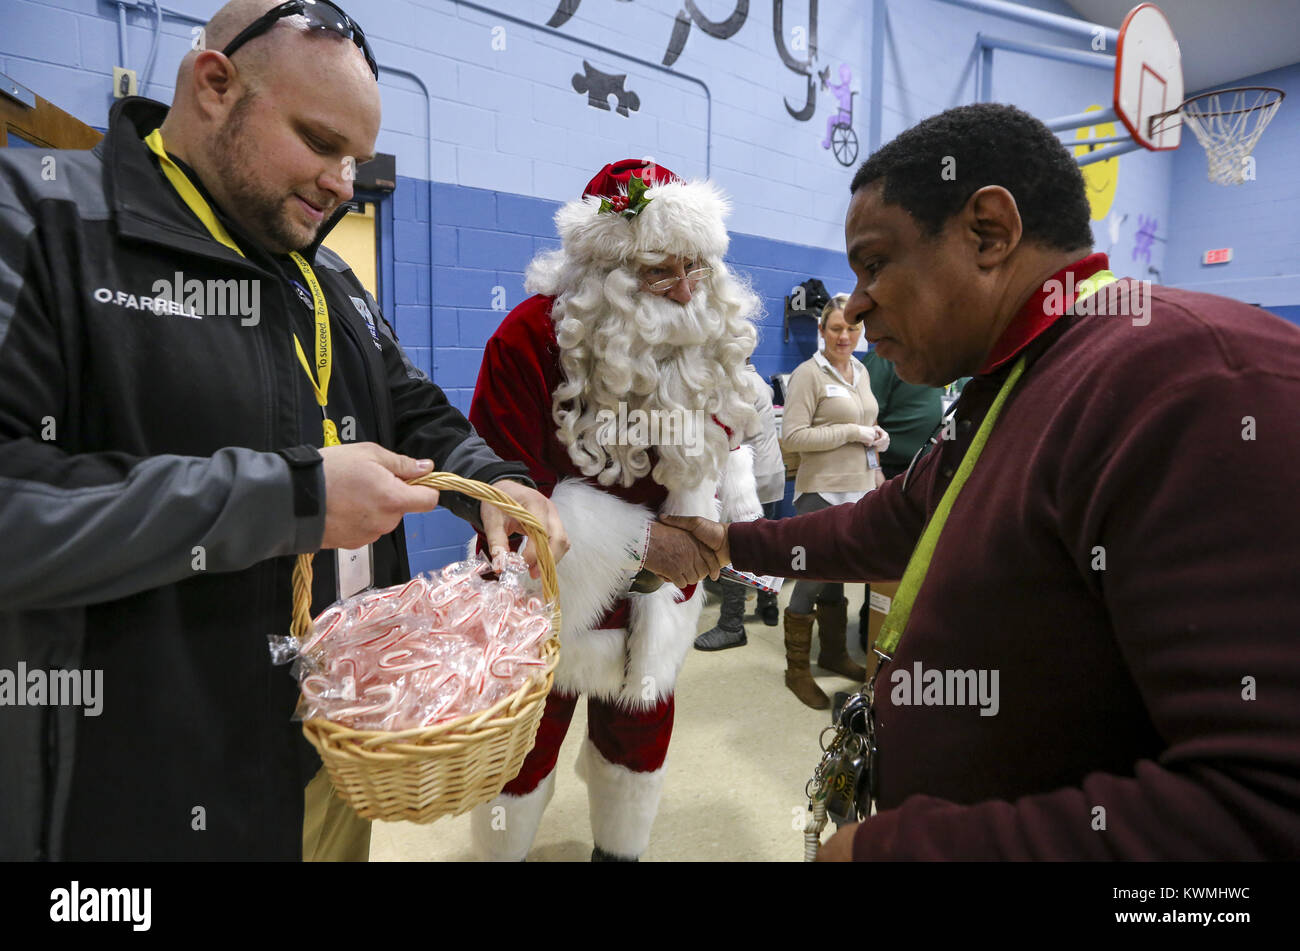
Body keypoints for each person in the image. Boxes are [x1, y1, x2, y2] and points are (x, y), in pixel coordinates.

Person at [0, 0, 564, 861]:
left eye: (357, 158)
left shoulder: (327, 275)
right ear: (215, 86)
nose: (344, 181)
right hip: (143, 785)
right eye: (321, 142)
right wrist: (291, 497)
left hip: (332, 752)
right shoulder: (46, 226)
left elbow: (408, 403)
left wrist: (495, 479)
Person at [663, 102, 1300, 860]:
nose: (857, 303)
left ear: (989, 233)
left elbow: (1261, 812)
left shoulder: (1193, 377)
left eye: (874, 264)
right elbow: (891, 524)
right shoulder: (1020, 376)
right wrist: (726, 540)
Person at [466, 159, 760, 861]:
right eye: (662, 272)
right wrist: (641, 541)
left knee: (640, 743)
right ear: (608, 272)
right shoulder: (528, 337)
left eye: (696, 266)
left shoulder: (699, 329)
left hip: (659, 605)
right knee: (519, 749)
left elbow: (723, 431)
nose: (687, 290)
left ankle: (618, 853)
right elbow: (499, 497)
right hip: (547, 597)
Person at [776, 294, 889, 708]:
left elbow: (868, 421)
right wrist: (850, 433)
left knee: (838, 570)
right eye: (837, 328)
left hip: (859, 486)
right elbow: (793, 437)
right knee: (812, 574)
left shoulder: (861, 370)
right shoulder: (809, 373)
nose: (845, 335)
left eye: (853, 328)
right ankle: (797, 671)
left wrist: (875, 449)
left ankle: (834, 652)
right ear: (822, 331)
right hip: (821, 489)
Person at [855, 348, 943, 648]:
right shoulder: (884, 357)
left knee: (912, 554)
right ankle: (872, 629)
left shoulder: (930, 353)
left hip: (922, 465)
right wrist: (875, 467)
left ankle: (899, 629)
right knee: (884, 550)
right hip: (891, 468)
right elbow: (867, 417)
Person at [694, 360, 784, 650]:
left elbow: (727, 440)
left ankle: (731, 625)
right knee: (767, 546)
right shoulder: (760, 383)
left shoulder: (736, 386)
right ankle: (768, 606)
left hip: (751, 480)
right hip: (771, 476)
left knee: (735, 552)